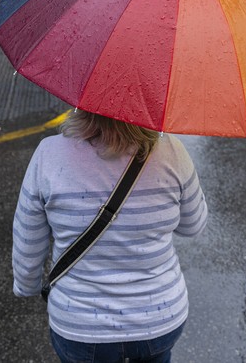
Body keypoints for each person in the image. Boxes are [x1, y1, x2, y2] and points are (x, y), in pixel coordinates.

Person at [12, 110, 208, 362]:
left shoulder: (48, 155)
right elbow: (194, 226)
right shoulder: (171, 152)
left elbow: (28, 240)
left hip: (79, 325)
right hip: (159, 319)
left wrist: (26, 286)